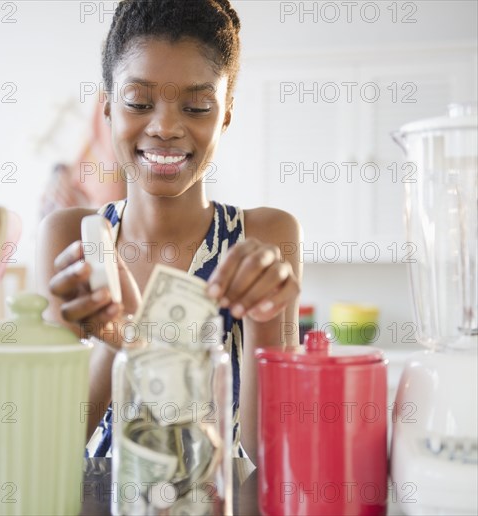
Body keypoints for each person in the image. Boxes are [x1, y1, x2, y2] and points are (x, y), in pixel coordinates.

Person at [37, 0, 301, 464]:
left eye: (197, 106)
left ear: (226, 114)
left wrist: (263, 316)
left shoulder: (267, 234)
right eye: (138, 102)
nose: (165, 127)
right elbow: (51, 446)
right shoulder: (69, 237)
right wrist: (116, 341)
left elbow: (271, 453)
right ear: (108, 107)